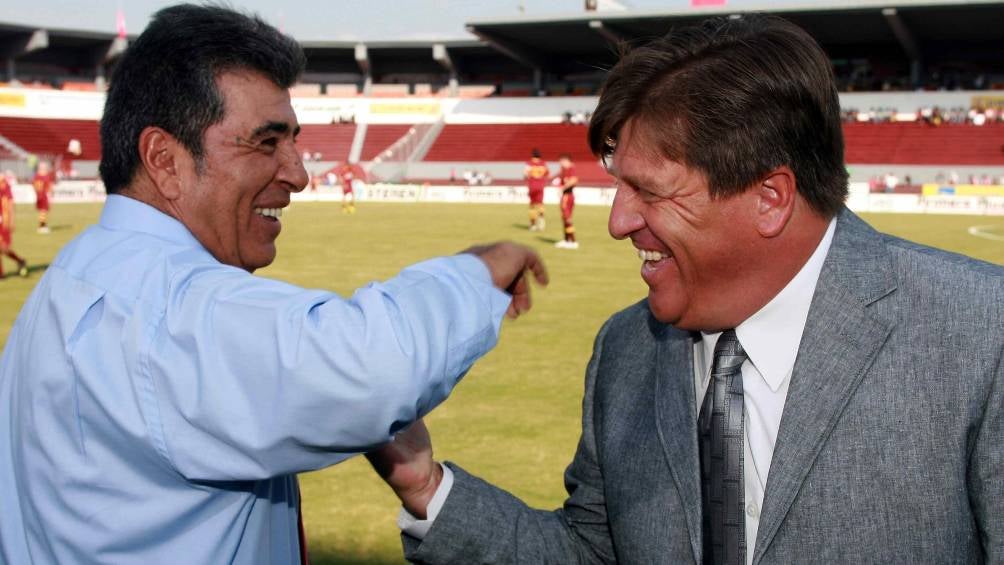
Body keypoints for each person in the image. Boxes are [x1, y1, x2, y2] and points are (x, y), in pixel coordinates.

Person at [368, 14, 1002, 564]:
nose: (617, 222)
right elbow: (594, 552)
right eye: (619, 185)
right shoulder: (626, 348)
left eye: (650, 190)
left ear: (769, 198)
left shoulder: (979, 336)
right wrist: (428, 488)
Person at [0, 5, 548, 564]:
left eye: (293, 141)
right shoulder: (164, 304)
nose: (299, 173)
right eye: (265, 142)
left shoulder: (74, 273)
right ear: (164, 160)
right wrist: (481, 269)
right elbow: (372, 365)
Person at [0, 173, 28, 278]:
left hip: (4, 222)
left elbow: (10, 203)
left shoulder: (3, 183)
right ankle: (1, 273)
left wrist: (12, 220)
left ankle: (20, 260)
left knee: (3, 248)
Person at [553, 153, 579, 249]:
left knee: (567, 218)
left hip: (567, 196)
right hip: (566, 196)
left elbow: (574, 180)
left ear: (565, 160)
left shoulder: (571, 169)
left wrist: (562, 188)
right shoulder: (564, 170)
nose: (560, 164)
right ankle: (566, 240)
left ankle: (573, 241)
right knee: (565, 218)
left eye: (561, 162)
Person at [524, 148, 549, 231]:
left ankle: (533, 224)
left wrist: (527, 180)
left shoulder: (529, 163)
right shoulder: (543, 164)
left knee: (532, 206)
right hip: (541, 186)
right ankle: (541, 221)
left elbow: (525, 174)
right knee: (540, 204)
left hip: (532, 186)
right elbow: (547, 174)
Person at [32, 160, 54, 233]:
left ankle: (42, 226)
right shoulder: (46, 177)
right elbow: (49, 188)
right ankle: (42, 226)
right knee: (43, 211)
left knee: (42, 211)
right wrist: (51, 196)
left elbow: (33, 185)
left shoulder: (36, 176)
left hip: (38, 196)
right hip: (44, 196)